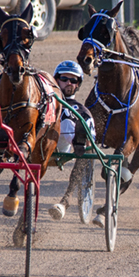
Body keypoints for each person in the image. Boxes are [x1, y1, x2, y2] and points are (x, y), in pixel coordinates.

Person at [47, 60, 99, 225]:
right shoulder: (45, 101)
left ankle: (66, 200)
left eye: (73, 80)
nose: (69, 83)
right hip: (40, 140)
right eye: (64, 78)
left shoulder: (82, 110)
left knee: (70, 121)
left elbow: (93, 142)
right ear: (56, 79)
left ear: (78, 84)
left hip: (61, 143)